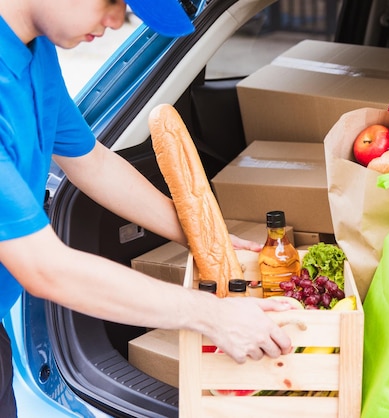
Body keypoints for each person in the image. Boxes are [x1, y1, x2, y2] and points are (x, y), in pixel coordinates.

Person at [0, 0, 294, 415]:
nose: (117, 22)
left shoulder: (35, 50)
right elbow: (45, 269)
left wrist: (203, 235)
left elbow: (94, 164)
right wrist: (212, 316)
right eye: (114, 1)